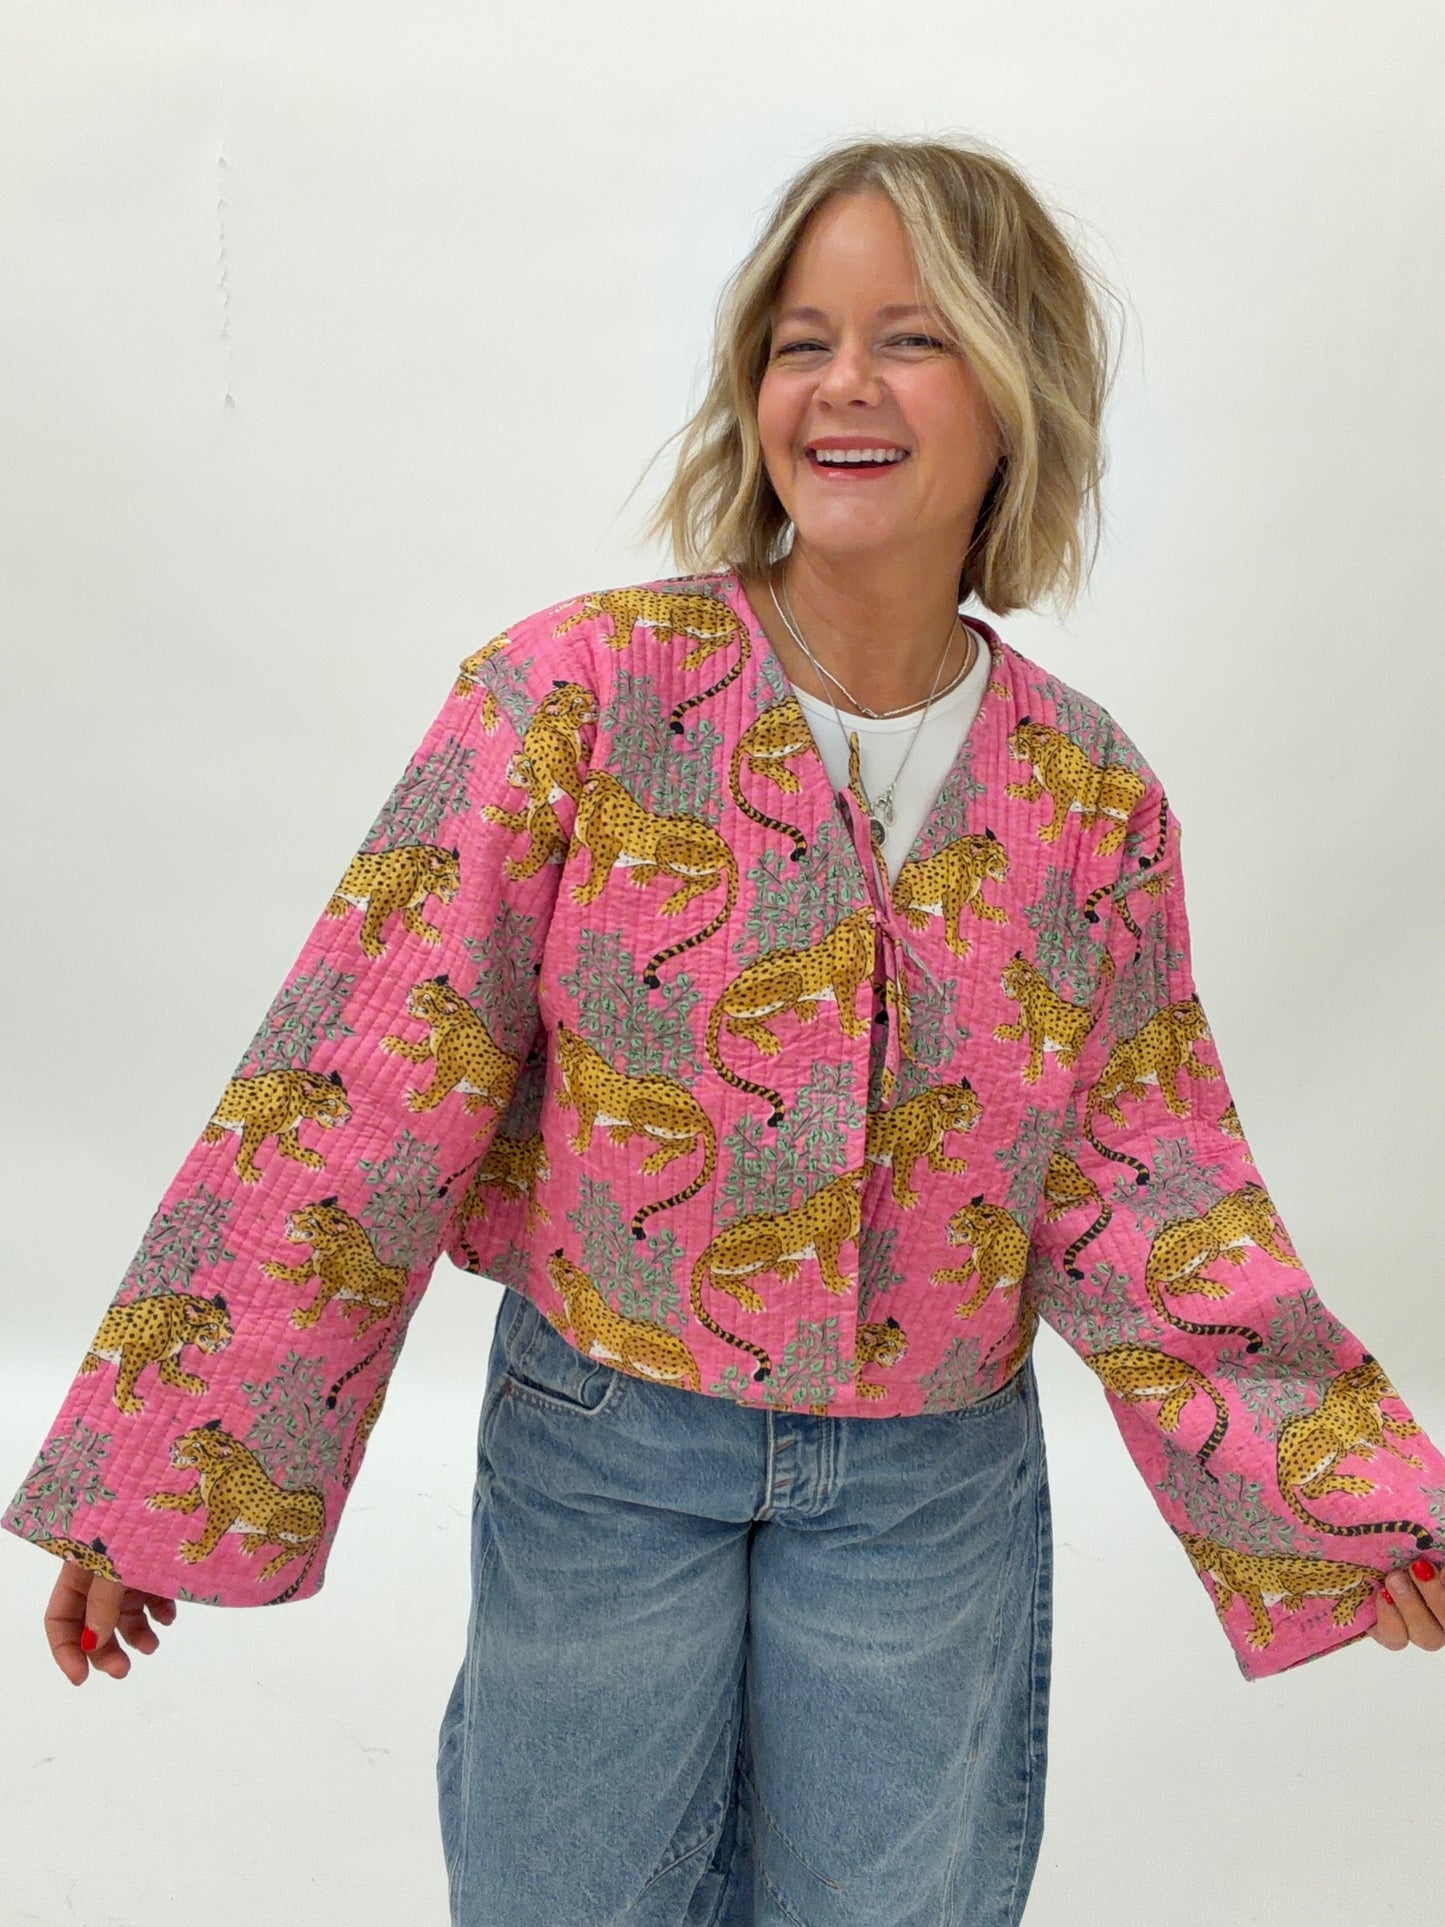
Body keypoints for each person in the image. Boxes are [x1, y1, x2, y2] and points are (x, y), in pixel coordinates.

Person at [9, 134, 1443, 1926]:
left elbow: (1146, 1184)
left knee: (892, 1902)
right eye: (796, 340)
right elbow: (360, 1087)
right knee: (565, 1893)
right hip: (604, 1442)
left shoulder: (1088, 796)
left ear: (1016, 391)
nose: (840, 384)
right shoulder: (574, 699)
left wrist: (1342, 1494)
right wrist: (157, 1472)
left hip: (928, 1480)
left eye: (908, 338)